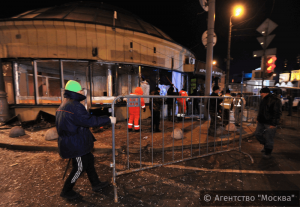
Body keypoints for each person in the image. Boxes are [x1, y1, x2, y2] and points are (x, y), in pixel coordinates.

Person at [56, 80, 116, 200]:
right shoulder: (75, 106)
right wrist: (108, 119)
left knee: (89, 160)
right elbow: (89, 121)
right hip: (75, 144)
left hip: (74, 141)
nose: (81, 91)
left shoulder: (65, 104)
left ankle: (95, 183)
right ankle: (66, 190)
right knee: (79, 167)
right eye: (80, 90)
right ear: (75, 91)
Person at [255, 87, 282, 159]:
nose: (261, 94)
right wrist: (258, 118)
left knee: (269, 137)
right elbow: (261, 110)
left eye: (262, 93)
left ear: (266, 93)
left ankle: (268, 151)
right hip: (261, 121)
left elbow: (277, 113)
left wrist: (273, 123)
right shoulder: (263, 99)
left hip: (269, 122)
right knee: (257, 134)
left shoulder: (275, 100)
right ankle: (266, 145)